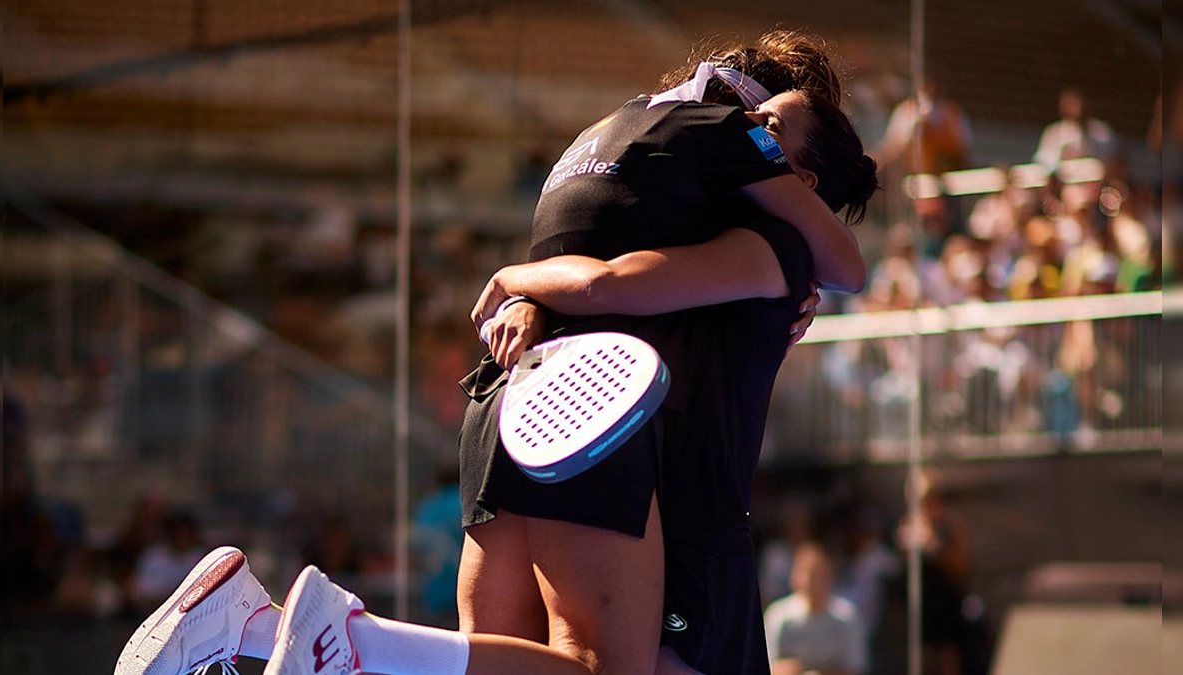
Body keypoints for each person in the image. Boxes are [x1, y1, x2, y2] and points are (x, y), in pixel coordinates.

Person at [115, 31, 876, 675]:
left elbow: (627, 273)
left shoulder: (765, 237)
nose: (749, 124)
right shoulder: (727, 211)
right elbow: (612, 279)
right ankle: (347, 637)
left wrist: (521, 283)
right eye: (758, 117)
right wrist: (523, 284)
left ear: (803, 182)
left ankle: (258, 625)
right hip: (600, 434)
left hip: (528, 401)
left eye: (772, 126)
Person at [763, 542, 868, 675]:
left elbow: (856, 667)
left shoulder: (847, 617)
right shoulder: (777, 616)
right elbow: (767, 667)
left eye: (819, 574)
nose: (812, 581)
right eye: (807, 573)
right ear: (794, 578)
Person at [1033, 88, 1118, 173]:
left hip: (1093, 177)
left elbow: (1112, 156)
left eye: (1078, 104)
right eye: (1070, 104)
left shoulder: (1101, 131)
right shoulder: (1054, 131)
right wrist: (1061, 156)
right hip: (1065, 177)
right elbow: (1042, 160)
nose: (1077, 108)